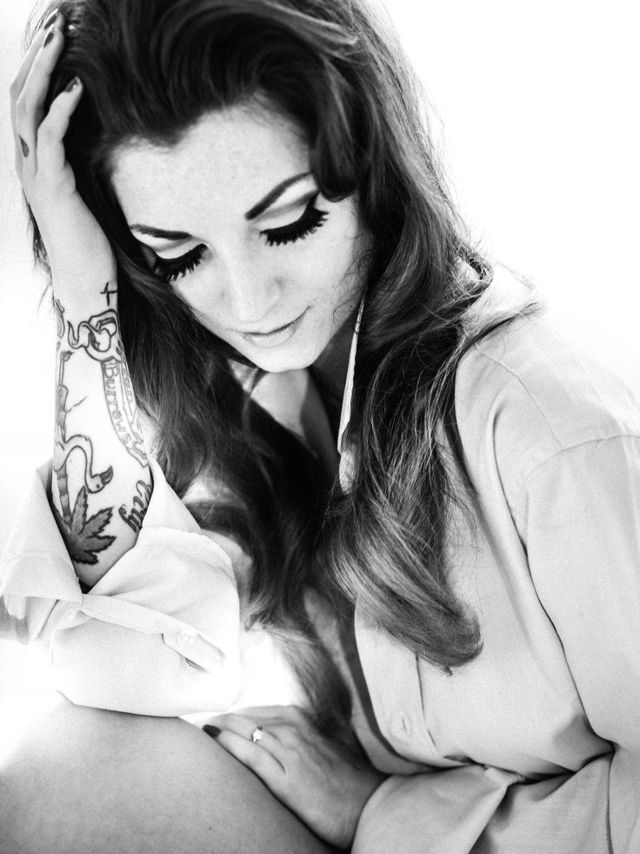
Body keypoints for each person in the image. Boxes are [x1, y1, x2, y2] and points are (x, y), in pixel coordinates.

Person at [1, 0, 639, 851]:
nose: (247, 301)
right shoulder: (261, 402)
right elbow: (122, 668)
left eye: (288, 223)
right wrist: (88, 300)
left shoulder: (548, 425)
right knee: (69, 768)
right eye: (178, 254)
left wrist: (383, 816)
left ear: (371, 170)